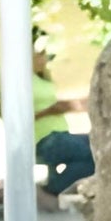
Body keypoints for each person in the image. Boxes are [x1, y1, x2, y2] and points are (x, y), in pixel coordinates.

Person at [33, 41, 95, 203]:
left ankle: (57, 187)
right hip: (44, 140)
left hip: (60, 135)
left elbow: (58, 105)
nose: (44, 59)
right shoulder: (20, 83)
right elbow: (9, 112)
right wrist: (52, 110)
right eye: (40, 55)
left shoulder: (43, 81)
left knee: (100, 147)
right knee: (95, 152)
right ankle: (51, 190)